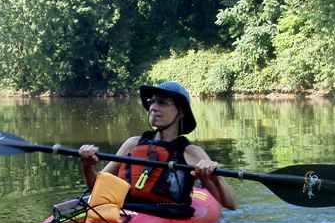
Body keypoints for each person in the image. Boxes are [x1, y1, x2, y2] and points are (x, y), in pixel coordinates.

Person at [78, 81, 238, 212]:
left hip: (165, 218)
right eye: (151, 102)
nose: (153, 107)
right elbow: (96, 188)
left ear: (181, 112)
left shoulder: (191, 153)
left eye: (162, 103)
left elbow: (231, 204)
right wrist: (87, 167)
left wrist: (214, 178)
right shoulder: (132, 144)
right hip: (123, 213)